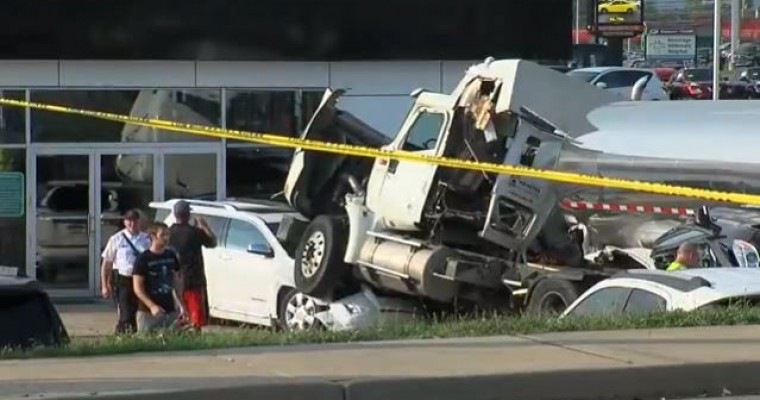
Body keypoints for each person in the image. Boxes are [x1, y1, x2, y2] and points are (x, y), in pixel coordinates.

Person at [168, 200, 217, 331]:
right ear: (188, 214)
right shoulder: (195, 232)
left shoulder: (168, 232)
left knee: (179, 315)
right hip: (193, 279)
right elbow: (212, 242)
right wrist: (204, 226)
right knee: (196, 316)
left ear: (175, 214)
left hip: (174, 279)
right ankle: (195, 338)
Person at [100, 209, 150, 334]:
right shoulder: (117, 239)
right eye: (129, 221)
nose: (132, 224)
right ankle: (124, 334)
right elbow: (107, 263)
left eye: (134, 221)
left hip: (142, 279)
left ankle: (137, 333)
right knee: (125, 311)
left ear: (139, 222)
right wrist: (104, 285)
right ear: (124, 222)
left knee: (140, 310)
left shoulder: (146, 239)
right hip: (123, 279)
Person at [132, 222, 187, 333]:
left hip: (169, 309)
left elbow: (177, 282)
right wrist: (152, 306)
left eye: (168, 234)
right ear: (153, 236)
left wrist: (182, 305)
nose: (166, 238)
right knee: (147, 343)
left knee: (171, 341)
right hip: (148, 312)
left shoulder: (171, 255)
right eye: (163, 235)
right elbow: (137, 288)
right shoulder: (143, 259)